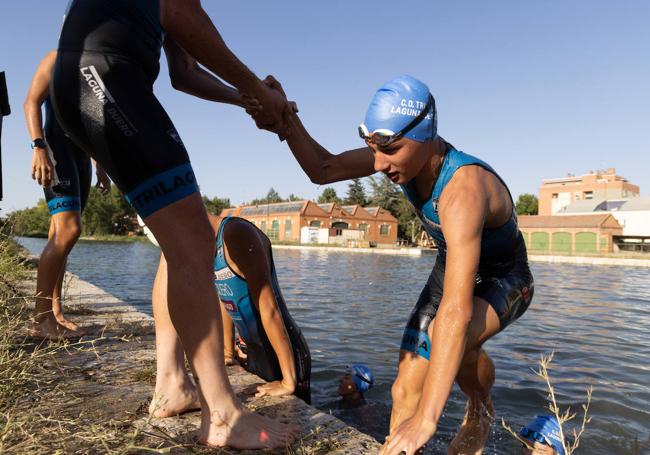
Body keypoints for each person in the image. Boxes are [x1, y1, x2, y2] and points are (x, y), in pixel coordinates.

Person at [50, 0, 296, 449]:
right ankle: (220, 413)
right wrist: (258, 90)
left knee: (177, 241)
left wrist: (246, 98)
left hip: (93, 79)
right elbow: (181, 14)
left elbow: (183, 71)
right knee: (194, 244)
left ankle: (172, 382)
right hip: (106, 76)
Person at [256, 74, 534, 454]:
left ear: (425, 135)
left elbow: (454, 310)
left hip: (507, 275)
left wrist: (427, 419)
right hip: (449, 266)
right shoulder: (397, 157)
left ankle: (481, 406)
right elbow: (323, 169)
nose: (380, 164)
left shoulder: (463, 191)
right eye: (373, 149)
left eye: (389, 149)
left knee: (449, 337)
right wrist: (286, 122)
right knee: (404, 388)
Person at [144, 213, 311, 415]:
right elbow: (226, 299)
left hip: (285, 354)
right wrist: (227, 352)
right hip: (254, 352)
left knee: (295, 420)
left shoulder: (237, 234)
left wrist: (288, 381)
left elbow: (269, 309)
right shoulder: (208, 247)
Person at [24, 50, 111, 338]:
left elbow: (94, 122)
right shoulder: (56, 57)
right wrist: (38, 147)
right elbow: (31, 102)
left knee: (61, 233)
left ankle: (56, 312)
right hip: (56, 148)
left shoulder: (97, 67)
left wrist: (101, 168)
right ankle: (41, 319)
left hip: (81, 156)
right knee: (69, 230)